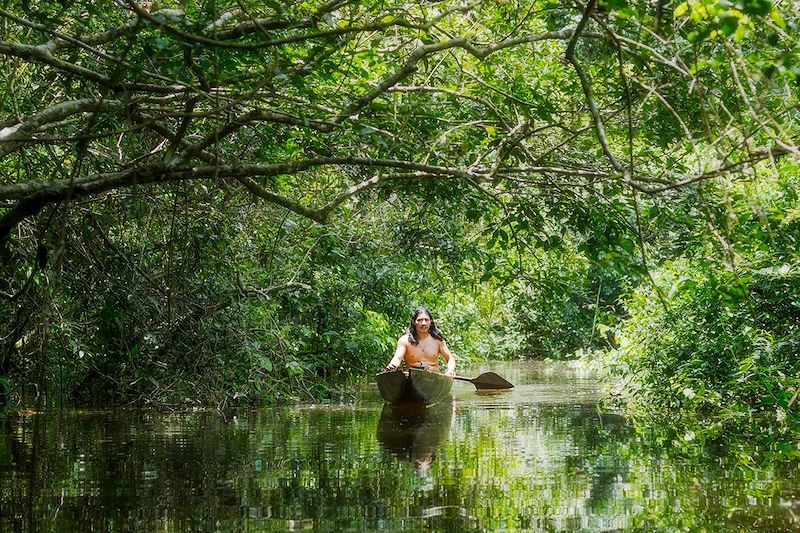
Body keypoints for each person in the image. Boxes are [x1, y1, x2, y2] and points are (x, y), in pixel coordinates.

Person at [384, 307, 456, 378]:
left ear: (430, 322)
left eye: (426, 320)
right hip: (412, 379)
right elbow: (397, 358)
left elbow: (450, 358)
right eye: (420, 320)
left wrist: (450, 370)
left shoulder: (438, 340)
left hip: (434, 379)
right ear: (414, 322)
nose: (423, 323)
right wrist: (392, 366)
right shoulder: (404, 340)